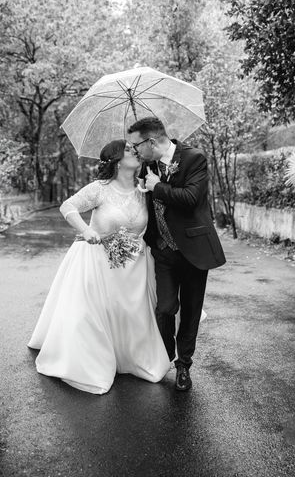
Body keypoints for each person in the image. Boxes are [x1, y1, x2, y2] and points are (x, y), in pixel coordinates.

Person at [27, 139, 170, 395]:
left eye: (135, 149)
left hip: (134, 267)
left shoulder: (144, 190)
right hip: (95, 261)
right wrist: (87, 229)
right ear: (115, 159)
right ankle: (94, 360)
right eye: (128, 149)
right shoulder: (99, 189)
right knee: (93, 315)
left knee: (129, 315)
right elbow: (67, 206)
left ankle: (130, 357)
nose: (135, 152)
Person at [128, 117, 226, 391]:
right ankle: (166, 355)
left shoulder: (194, 158)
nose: (135, 152)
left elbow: (191, 198)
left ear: (151, 142)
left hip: (194, 250)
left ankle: (184, 364)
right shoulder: (146, 165)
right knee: (165, 308)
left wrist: (157, 186)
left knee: (191, 310)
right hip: (163, 250)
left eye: (137, 146)